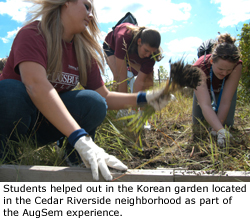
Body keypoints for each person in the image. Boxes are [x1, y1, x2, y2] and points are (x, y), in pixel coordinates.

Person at [0, 0, 172, 181]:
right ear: (66, 3)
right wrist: (79, 136)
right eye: (86, 6)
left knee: (94, 102)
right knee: (11, 92)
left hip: (47, 123)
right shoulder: (33, 34)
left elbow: (104, 96)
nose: (91, 14)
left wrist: (144, 98)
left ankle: (72, 157)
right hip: (15, 119)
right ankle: (7, 156)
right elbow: (36, 85)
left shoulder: (82, 50)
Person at [192, 33, 242, 147]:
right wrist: (220, 130)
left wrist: (217, 129)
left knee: (227, 123)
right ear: (212, 61)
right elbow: (205, 105)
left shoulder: (237, 65)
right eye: (220, 69)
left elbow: (225, 101)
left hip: (224, 91)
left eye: (228, 70)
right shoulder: (198, 67)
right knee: (199, 124)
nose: (224, 73)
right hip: (204, 91)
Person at [103, 22, 163, 93]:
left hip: (131, 52)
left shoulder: (151, 56)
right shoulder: (123, 38)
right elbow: (122, 78)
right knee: (118, 76)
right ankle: (114, 103)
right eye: (146, 50)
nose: (148, 55)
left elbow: (139, 82)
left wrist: (137, 101)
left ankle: (146, 102)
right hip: (112, 47)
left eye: (151, 52)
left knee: (148, 76)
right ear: (139, 41)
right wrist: (124, 103)